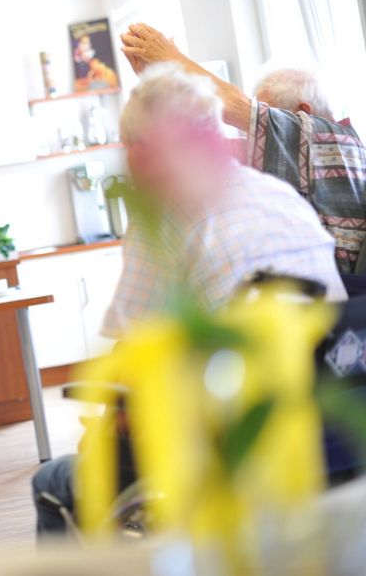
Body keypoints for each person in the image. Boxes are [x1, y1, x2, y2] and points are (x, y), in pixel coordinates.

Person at [32, 63, 346, 535]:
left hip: (232, 445)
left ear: (143, 149)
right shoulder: (280, 194)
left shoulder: (161, 214)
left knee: (53, 480)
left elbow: (132, 358)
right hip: (332, 432)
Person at [120, 23, 366, 274]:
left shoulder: (332, 139)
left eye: (266, 118)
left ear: (303, 114)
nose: (252, 134)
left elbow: (233, 106)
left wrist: (170, 61)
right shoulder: (289, 157)